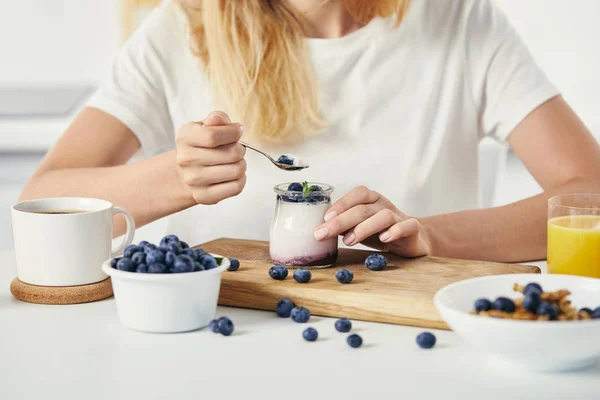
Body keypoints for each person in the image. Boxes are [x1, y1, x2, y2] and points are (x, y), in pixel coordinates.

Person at [19, 0, 600, 262]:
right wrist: (175, 176)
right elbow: (39, 202)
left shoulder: (463, 23)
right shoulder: (177, 30)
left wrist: (433, 236)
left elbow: (591, 193)